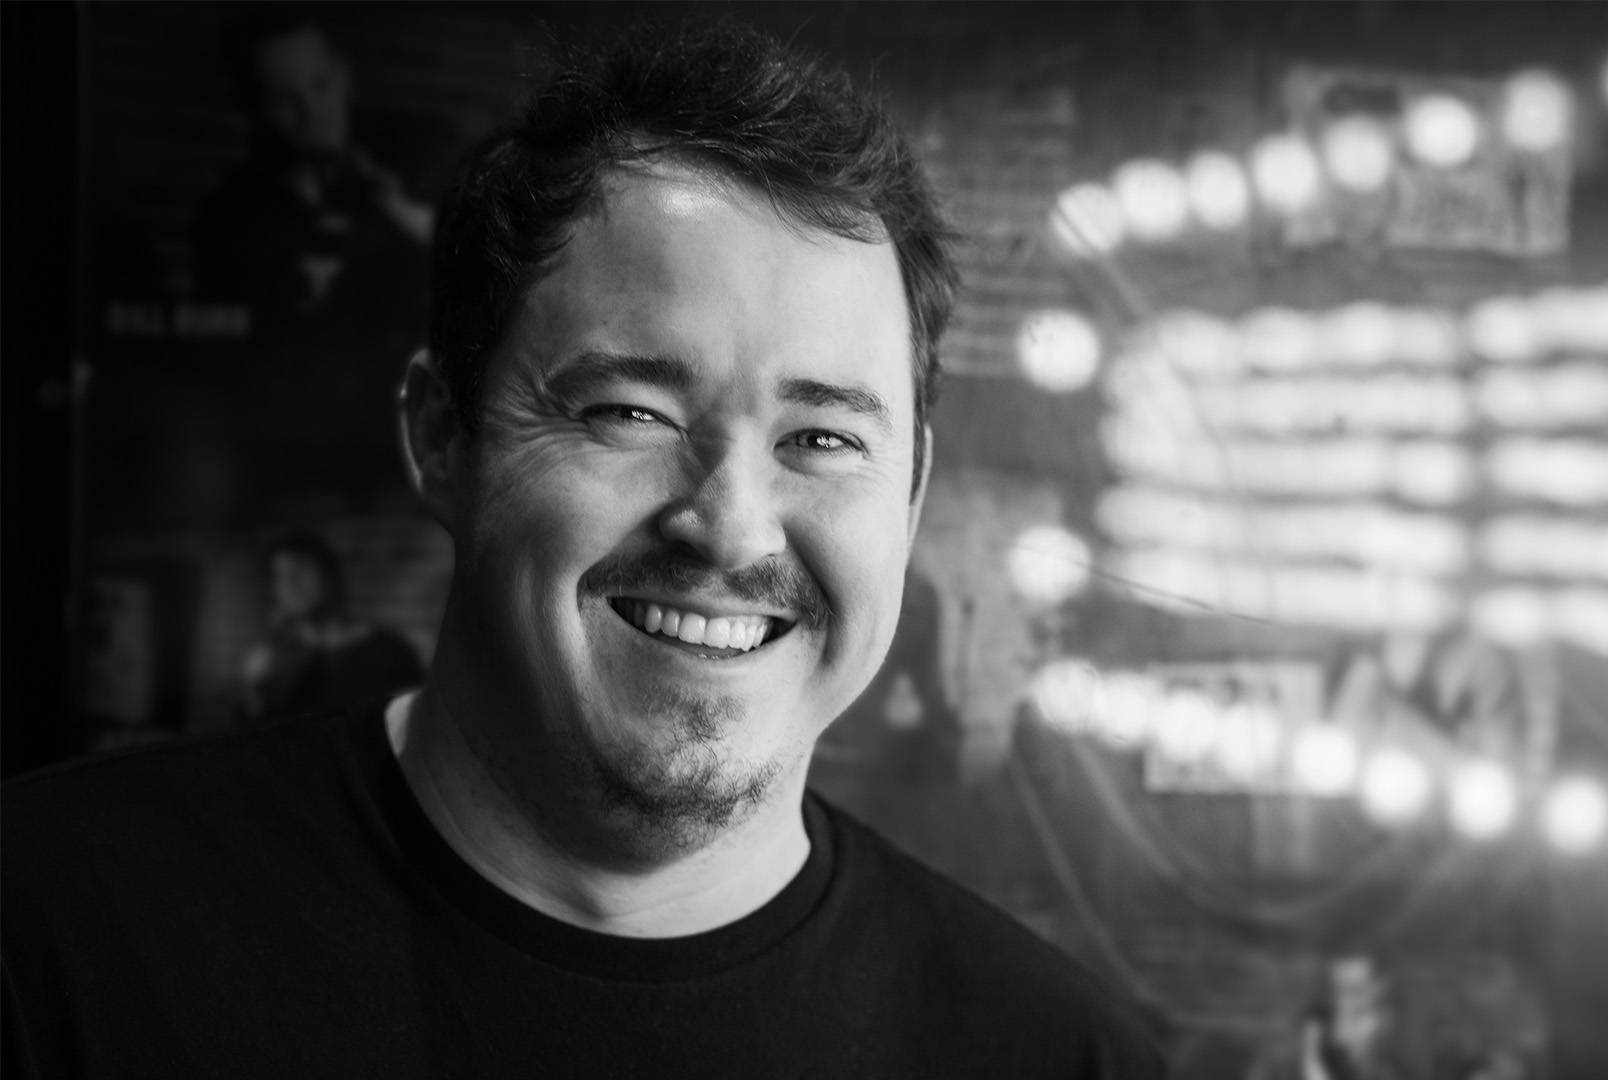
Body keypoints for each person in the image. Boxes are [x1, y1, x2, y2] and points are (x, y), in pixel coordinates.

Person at [4, 20, 1165, 1079]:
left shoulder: (1061, 1056)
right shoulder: (54, 932)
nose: (731, 525)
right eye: (630, 413)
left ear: (908, 496)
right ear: (439, 434)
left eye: (821, 437)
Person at [193, 8, 434, 341]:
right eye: (284, 100)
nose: (312, 113)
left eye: (321, 84)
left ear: (344, 74)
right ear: (253, 110)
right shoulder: (225, 218)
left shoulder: (417, 161)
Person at [238, 531, 424, 723]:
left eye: (301, 570)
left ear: (329, 575)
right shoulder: (273, 661)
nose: (291, 583)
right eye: (280, 576)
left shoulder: (389, 652)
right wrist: (256, 688)